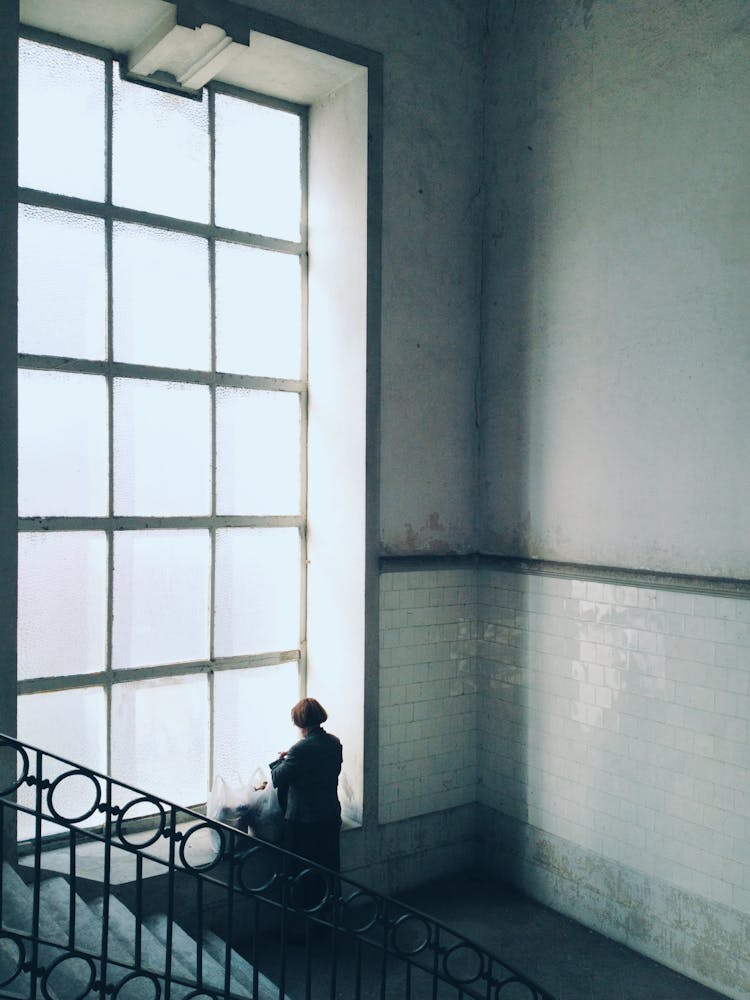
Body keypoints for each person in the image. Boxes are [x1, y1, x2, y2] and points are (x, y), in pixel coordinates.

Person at [269, 697, 343, 873]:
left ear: (301, 723)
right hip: (330, 815)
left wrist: (280, 761)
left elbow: (277, 778)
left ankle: (303, 901)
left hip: (304, 820)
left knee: (301, 871)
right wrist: (293, 756)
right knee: (327, 867)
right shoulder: (334, 742)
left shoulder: (300, 749)